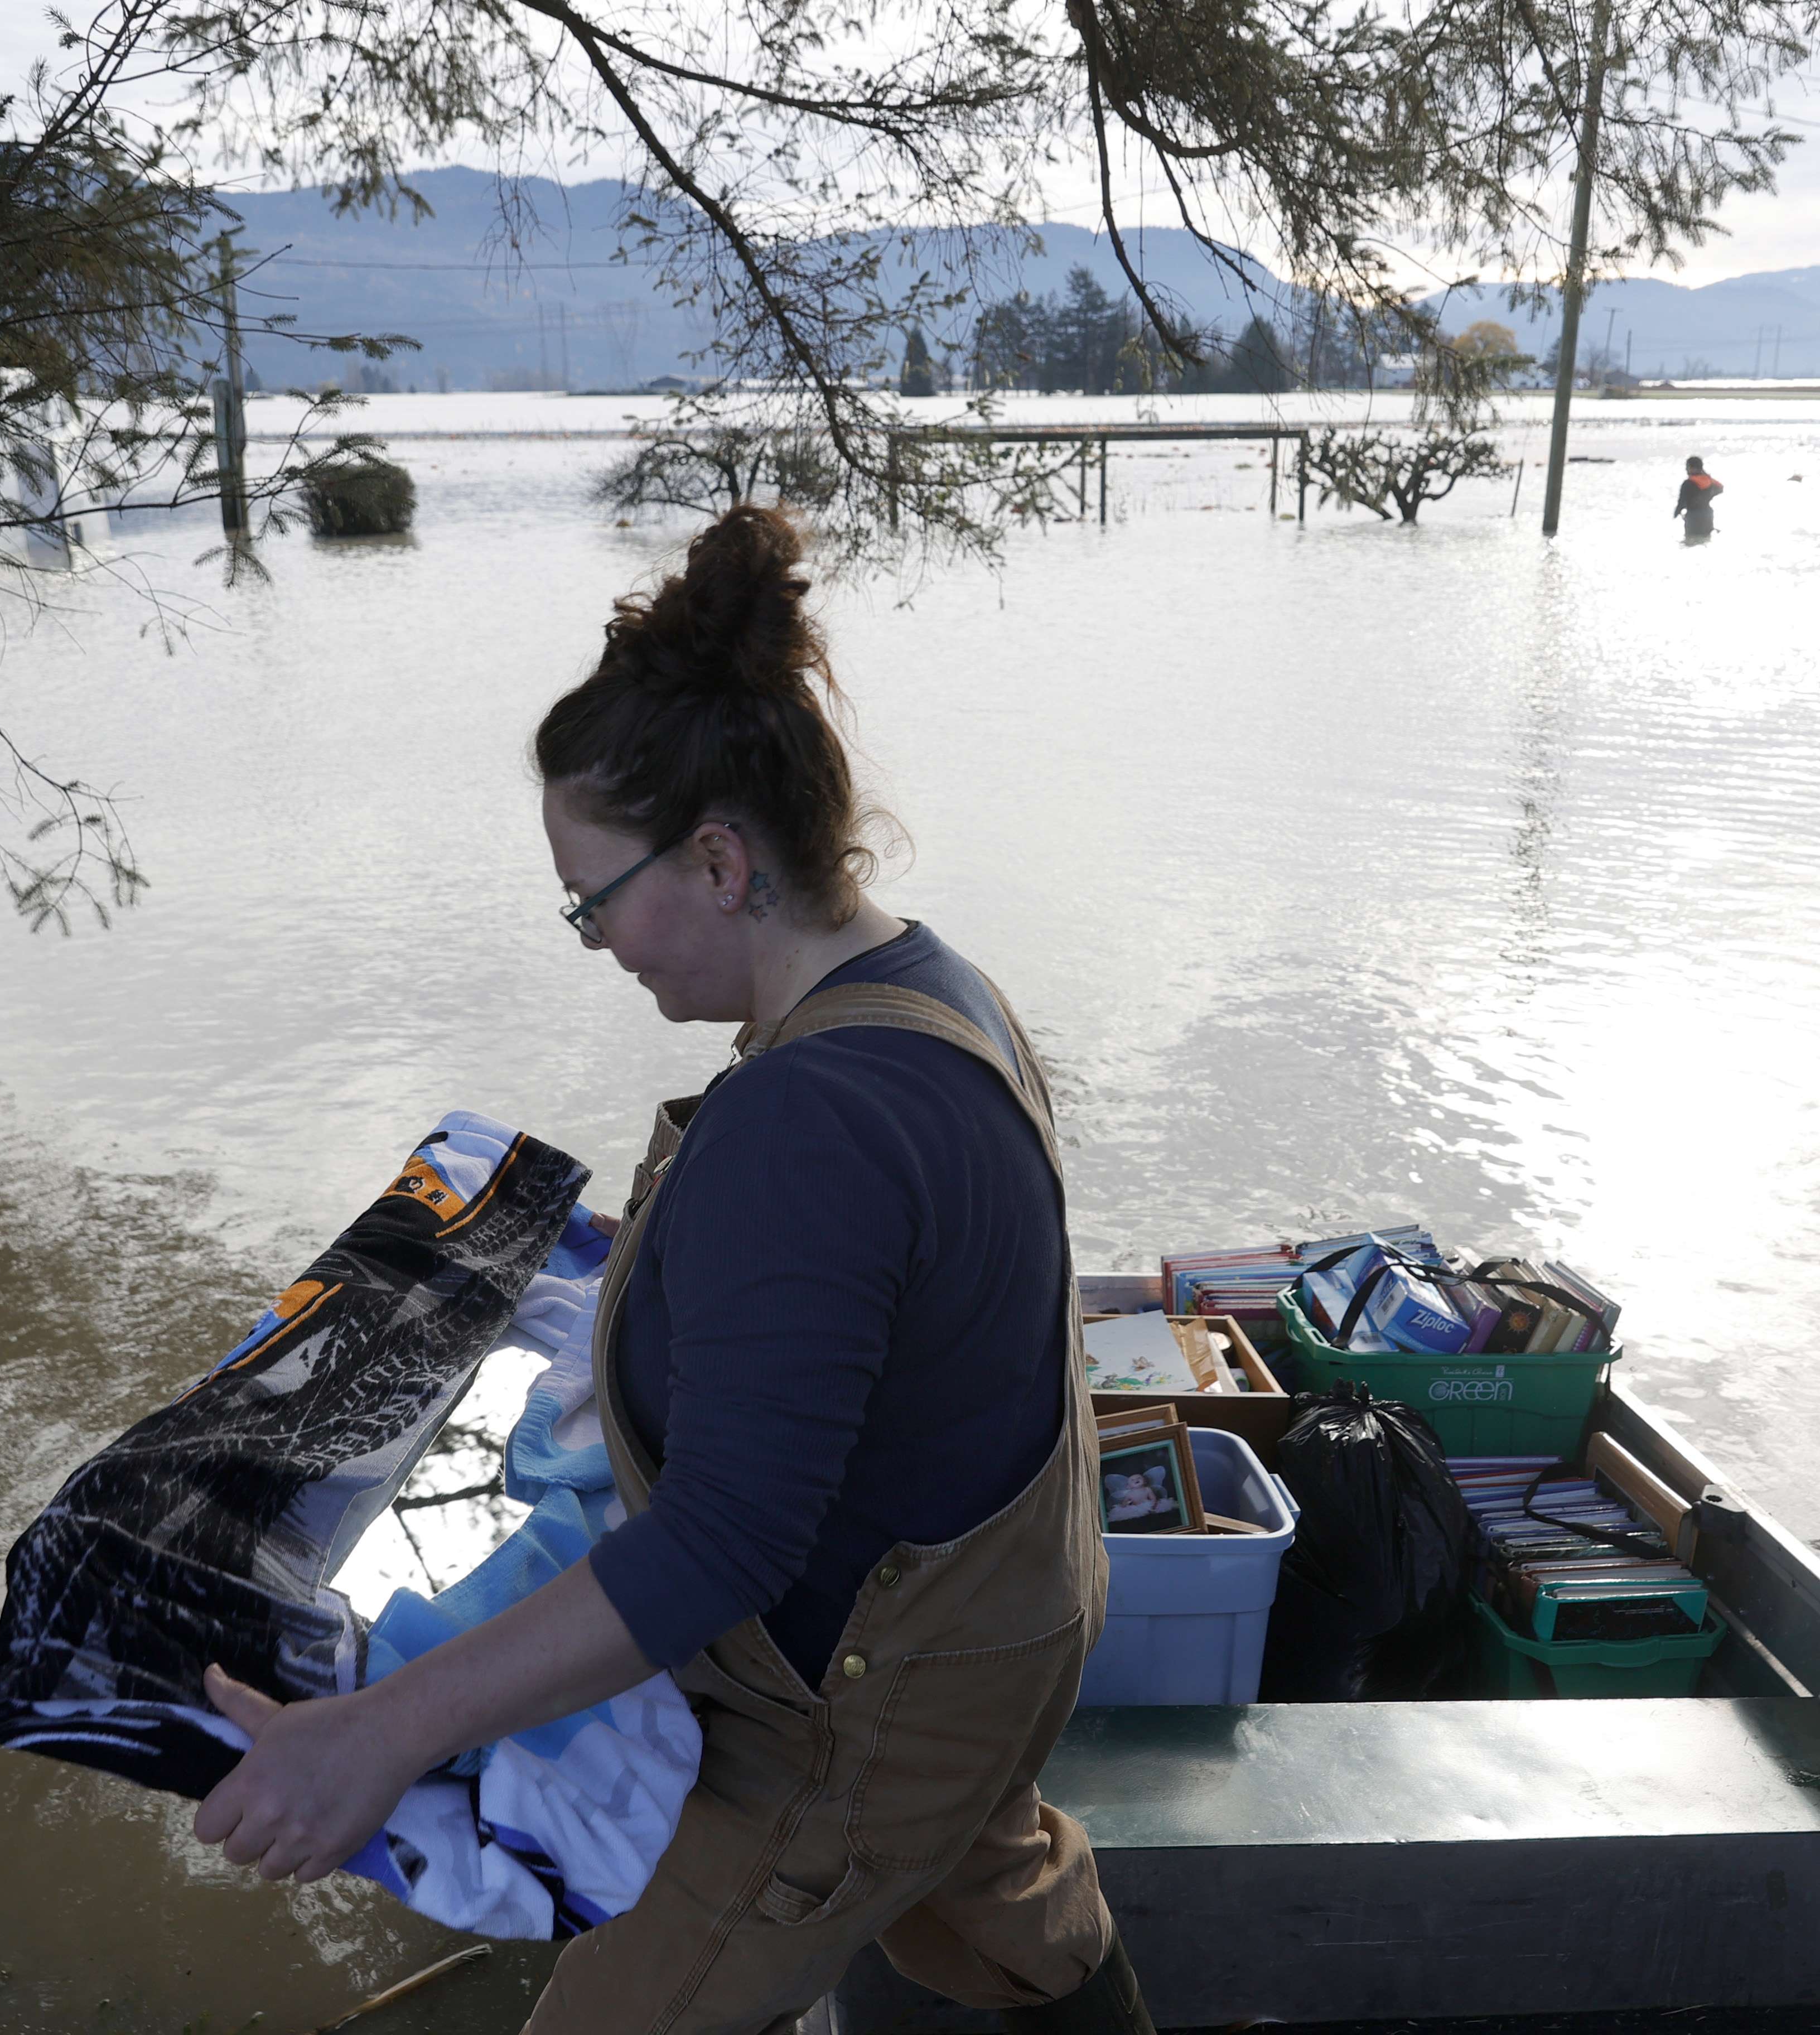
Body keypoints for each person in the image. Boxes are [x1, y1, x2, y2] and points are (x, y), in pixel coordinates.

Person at [185, 504, 1152, 2034]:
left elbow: (722, 1550)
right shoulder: (932, 989)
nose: (588, 942)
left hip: (865, 1710)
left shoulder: (810, 1116)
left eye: (593, 898)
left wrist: (377, 1733)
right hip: (1004, 1626)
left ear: (715, 858)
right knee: (1004, 1916)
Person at [1672, 455, 1723, 541]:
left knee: (1691, 541)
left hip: (1693, 517)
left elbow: (1681, 502)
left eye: (1687, 467)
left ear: (1692, 468)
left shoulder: (1688, 484)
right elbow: (1720, 488)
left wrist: (1675, 515)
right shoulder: (1709, 482)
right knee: (1706, 539)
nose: (1686, 470)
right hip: (1708, 514)